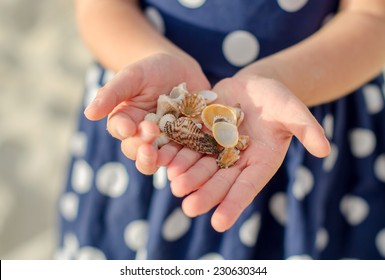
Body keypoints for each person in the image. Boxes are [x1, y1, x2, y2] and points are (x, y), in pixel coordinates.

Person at [56, 0, 385, 260]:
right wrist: (152, 56)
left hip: (303, 103)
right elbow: (101, 7)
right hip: (149, 101)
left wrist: (283, 79)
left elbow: (373, 17)